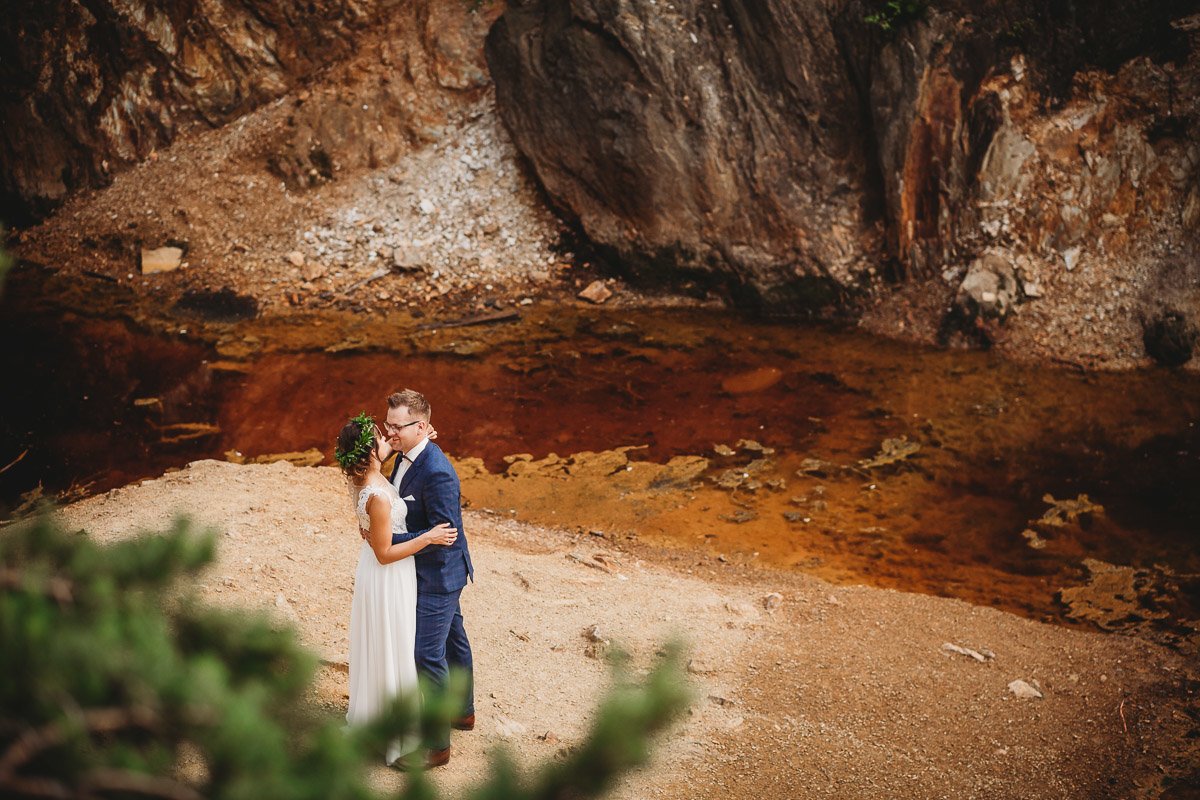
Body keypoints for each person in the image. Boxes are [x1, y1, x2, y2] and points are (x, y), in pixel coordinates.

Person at [335, 412, 458, 767]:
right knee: (396, 644)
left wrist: (419, 438)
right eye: (380, 436)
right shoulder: (377, 495)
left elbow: (384, 454)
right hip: (389, 574)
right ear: (370, 451)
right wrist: (429, 536)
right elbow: (386, 552)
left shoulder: (363, 479)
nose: (387, 437)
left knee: (384, 643)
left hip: (374, 572)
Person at [382, 389, 475, 769]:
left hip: (438, 575)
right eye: (386, 424)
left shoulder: (437, 472)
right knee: (455, 638)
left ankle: (437, 746)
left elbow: (445, 534)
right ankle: (463, 712)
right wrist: (392, 446)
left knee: (427, 654)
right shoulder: (405, 454)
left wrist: (389, 540)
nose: (389, 432)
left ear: (422, 427)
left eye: (396, 426)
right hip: (428, 571)